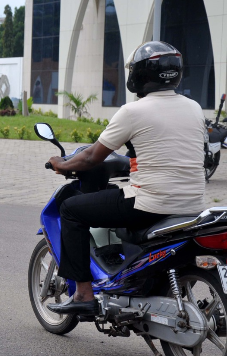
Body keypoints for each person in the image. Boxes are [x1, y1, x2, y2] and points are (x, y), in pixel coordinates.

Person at [45, 41, 206, 316]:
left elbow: (91, 158)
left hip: (149, 204)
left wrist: (62, 163)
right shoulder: (194, 108)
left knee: (70, 210)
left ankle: (83, 293)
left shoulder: (133, 112)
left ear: (139, 74)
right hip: (192, 205)